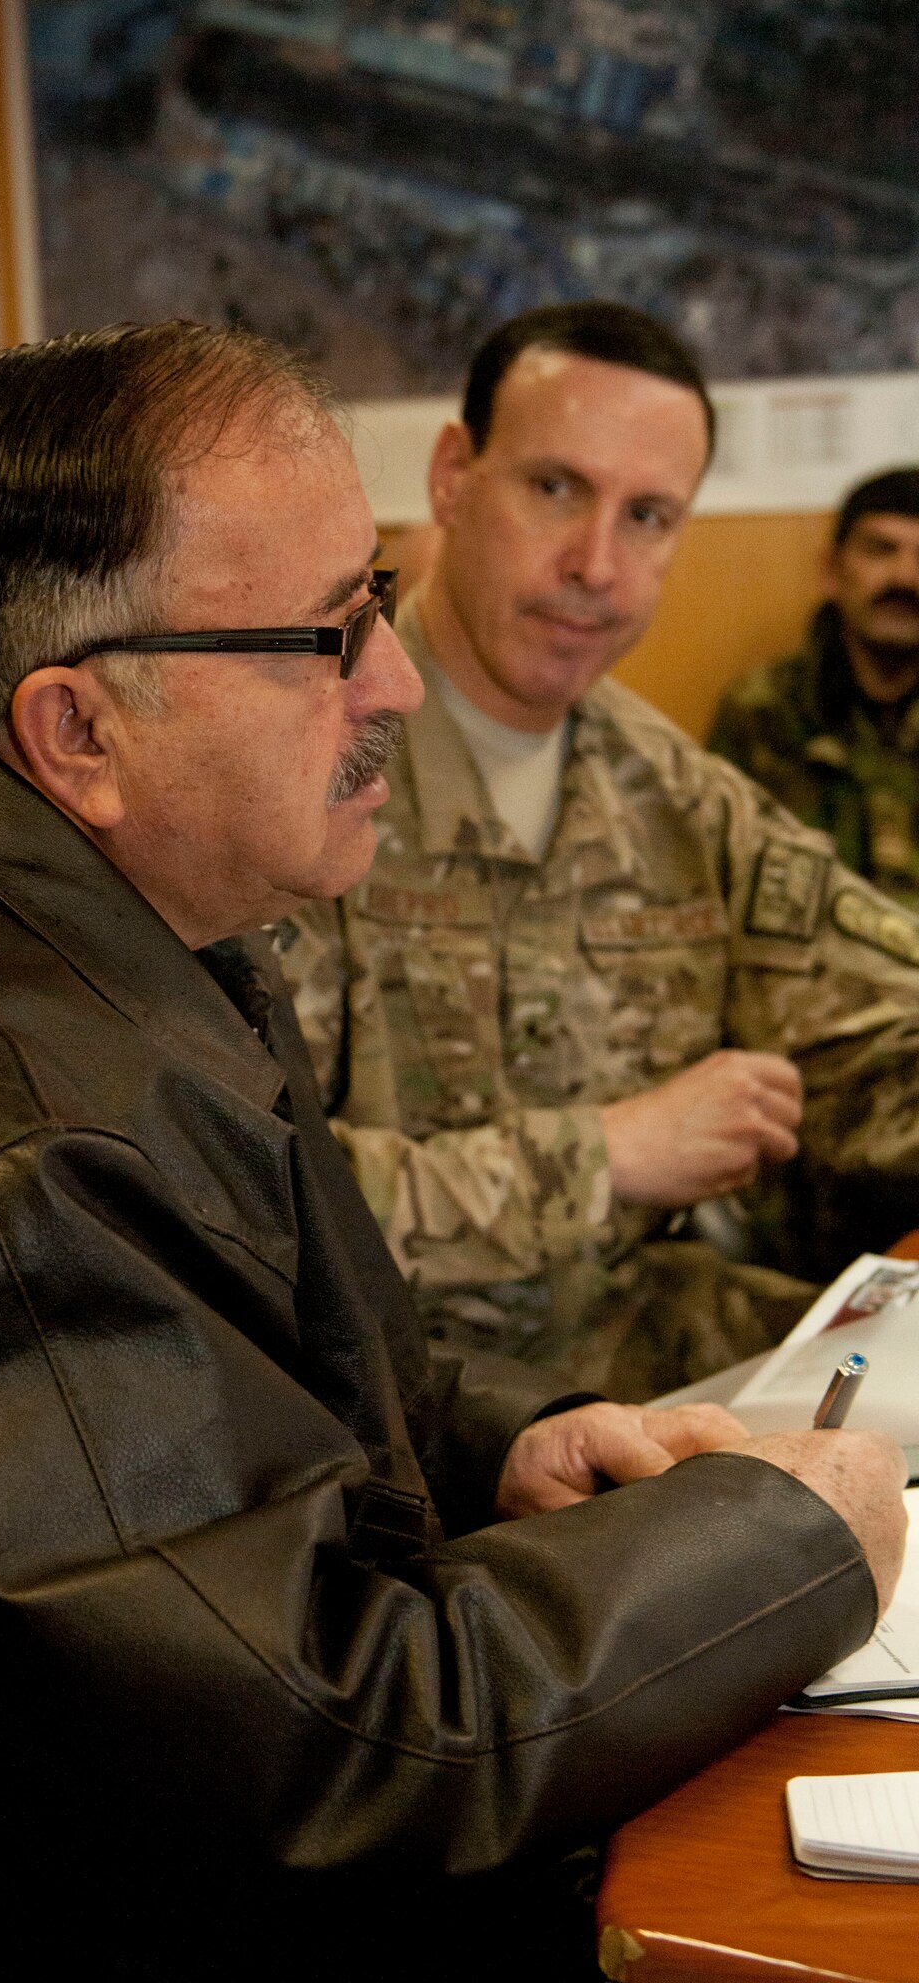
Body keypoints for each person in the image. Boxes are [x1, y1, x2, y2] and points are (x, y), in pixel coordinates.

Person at [0, 321, 904, 1980]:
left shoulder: (118, 925)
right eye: (326, 634)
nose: (399, 683)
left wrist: (511, 1443)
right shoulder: (16, 1130)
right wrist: (792, 1550)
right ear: (76, 733)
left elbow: (270, 1380)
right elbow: (331, 1750)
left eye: (372, 598)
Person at [284, 302, 919, 1398]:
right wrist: (607, 1154)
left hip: (629, 1377)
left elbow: (881, 1025)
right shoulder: (299, 770)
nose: (596, 563)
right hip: (369, 1412)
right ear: (450, 474)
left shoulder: (679, 798)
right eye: (554, 488)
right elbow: (234, 1192)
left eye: (648, 516)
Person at [711, 469, 919, 907]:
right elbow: (716, 882)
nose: (904, 576)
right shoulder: (761, 713)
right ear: (832, 571)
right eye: (881, 550)